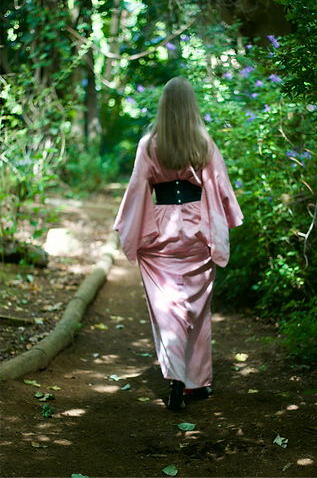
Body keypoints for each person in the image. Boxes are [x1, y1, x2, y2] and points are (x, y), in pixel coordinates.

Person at [113, 77, 244, 411]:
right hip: (196, 231)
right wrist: (227, 220)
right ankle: (196, 384)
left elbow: (136, 191)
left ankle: (176, 377)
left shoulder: (149, 144)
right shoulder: (204, 144)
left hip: (161, 232)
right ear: (191, 105)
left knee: (165, 307)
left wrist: (129, 228)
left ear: (164, 105)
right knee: (197, 311)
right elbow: (222, 189)